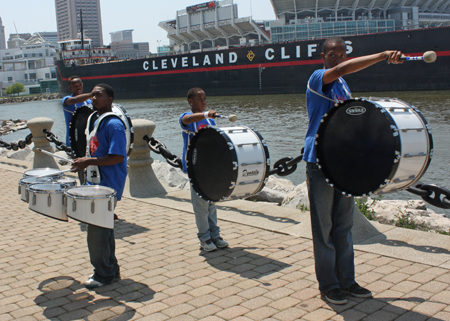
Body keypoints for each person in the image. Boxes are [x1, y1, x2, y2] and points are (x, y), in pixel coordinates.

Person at [303, 37, 402, 305]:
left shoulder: (344, 86)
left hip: (343, 163)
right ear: (322, 56)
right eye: (331, 54)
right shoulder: (318, 78)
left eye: (341, 54)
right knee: (323, 228)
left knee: (344, 226)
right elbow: (342, 70)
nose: (336, 58)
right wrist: (383, 54)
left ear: (346, 54)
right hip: (318, 161)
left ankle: (347, 280)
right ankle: (329, 284)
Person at [71, 83, 127, 289]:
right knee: (104, 229)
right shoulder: (97, 120)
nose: (93, 98)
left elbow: (116, 157)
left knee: (96, 231)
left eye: (99, 95)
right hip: (98, 182)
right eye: (92, 95)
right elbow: (97, 151)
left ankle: (102, 275)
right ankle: (111, 270)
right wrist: (85, 161)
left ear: (110, 99)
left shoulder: (114, 125)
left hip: (107, 185)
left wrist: (87, 162)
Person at [179, 87, 229, 252]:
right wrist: (206, 114)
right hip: (195, 167)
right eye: (200, 99)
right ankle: (204, 238)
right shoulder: (186, 117)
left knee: (211, 202)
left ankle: (215, 235)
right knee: (200, 205)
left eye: (204, 98)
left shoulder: (210, 121)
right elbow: (187, 119)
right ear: (191, 101)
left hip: (209, 167)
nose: (204, 102)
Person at [62, 76, 93, 147]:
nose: (78, 87)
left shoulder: (88, 102)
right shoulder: (66, 100)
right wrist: (92, 94)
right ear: (70, 88)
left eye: (80, 85)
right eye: (75, 86)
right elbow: (75, 99)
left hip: (88, 140)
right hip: (73, 141)